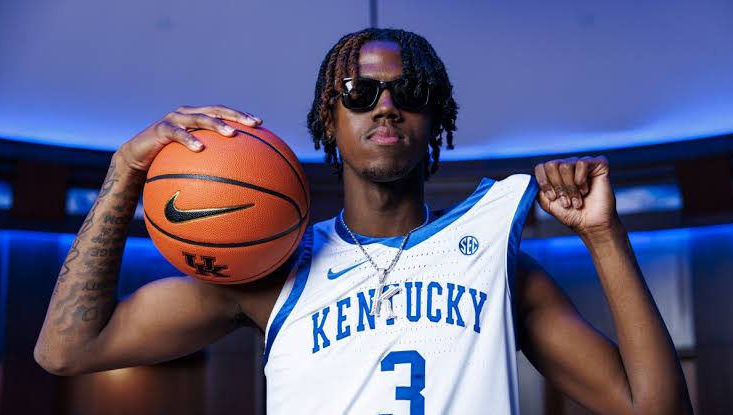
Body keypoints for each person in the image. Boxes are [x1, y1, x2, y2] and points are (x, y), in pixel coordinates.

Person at [35, 28, 692, 414]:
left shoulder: (500, 266)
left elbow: (654, 407)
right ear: (330, 120)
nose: (385, 105)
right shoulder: (269, 275)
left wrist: (604, 235)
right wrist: (125, 172)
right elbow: (65, 350)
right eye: (359, 92)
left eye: (409, 92)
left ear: (434, 119)